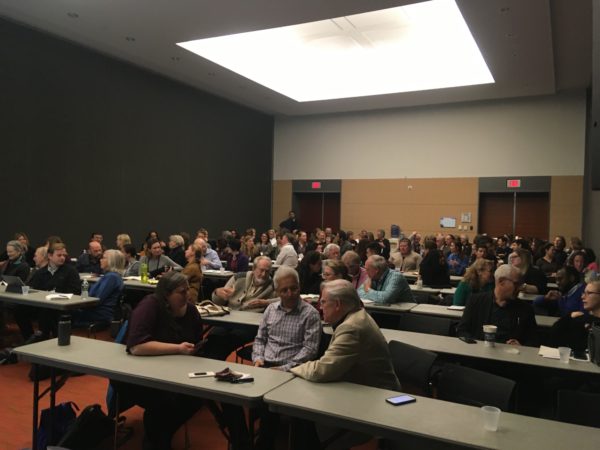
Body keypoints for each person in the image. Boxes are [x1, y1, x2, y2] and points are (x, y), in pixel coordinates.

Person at [291, 279, 401, 449]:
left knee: (304, 414)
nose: (320, 307)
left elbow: (321, 371)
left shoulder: (352, 327)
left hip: (374, 401)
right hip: (362, 387)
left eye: (324, 302)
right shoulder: (357, 316)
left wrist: (291, 368)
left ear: (338, 305)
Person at [204, 257, 276, 361]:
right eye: (261, 270)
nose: (264, 274)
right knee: (213, 336)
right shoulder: (238, 277)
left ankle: (213, 364)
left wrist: (267, 302)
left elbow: (285, 301)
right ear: (254, 268)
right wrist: (217, 293)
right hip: (229, 318)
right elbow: (218, 301)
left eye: (267, 271)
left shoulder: (273, 285)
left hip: (249, 325)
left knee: (227, 341)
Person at [252, 265, 321, 371]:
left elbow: (310, 349)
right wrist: (258, 358)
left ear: (299, 286)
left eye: (294, 288)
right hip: (264, 364)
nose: (290, 294)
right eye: (284, 290)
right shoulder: (271, 309)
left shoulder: (311, 314)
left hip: (292, 369)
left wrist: (285, 368)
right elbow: (260, 339)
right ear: (277, 292)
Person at [457, 264, 537, 346]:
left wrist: (521, 346)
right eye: (516, 284)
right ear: (501, 282)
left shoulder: (526, 309)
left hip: (510, 356)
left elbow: (534, 340)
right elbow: (462, 330)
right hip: (479, 354)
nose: (520, 288)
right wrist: (476, 345)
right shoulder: (476, 301)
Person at [16, 243, 81, 341]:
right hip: (42, 304)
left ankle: (45, 337)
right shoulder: (41, 272)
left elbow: (76, 291)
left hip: (61, 305)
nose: (62, 258)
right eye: (59, 255)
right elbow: (33, 288)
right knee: (19, 309)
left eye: (64, 255)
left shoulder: (71, 271)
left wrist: (56, 293)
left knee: (47, 312)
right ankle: (29, 337)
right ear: (50, 256)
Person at [549, 273, 600, 353]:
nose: (583, 297)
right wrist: (569, 317)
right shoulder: (579, 319)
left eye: (589, 293)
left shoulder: (584, 321)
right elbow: (552, 337)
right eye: (584, 293)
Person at [72, 249, 125, 327]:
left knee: (65, 313)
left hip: (99, 313)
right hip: (98, 311)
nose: (101, 260)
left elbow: (96, 299)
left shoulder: (111, 277)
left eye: (104, 258)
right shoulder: (111, 276)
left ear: (111, 261)